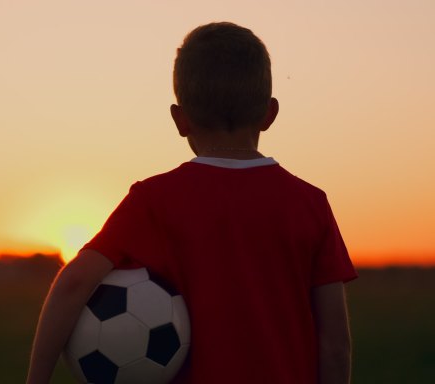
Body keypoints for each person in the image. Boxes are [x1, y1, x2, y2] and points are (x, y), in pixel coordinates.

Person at [27, 22, 357, 384]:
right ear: (270, 112)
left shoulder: (152, 201)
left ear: (179, 119)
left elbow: (74, 283)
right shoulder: (310, 203)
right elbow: (335, 342)